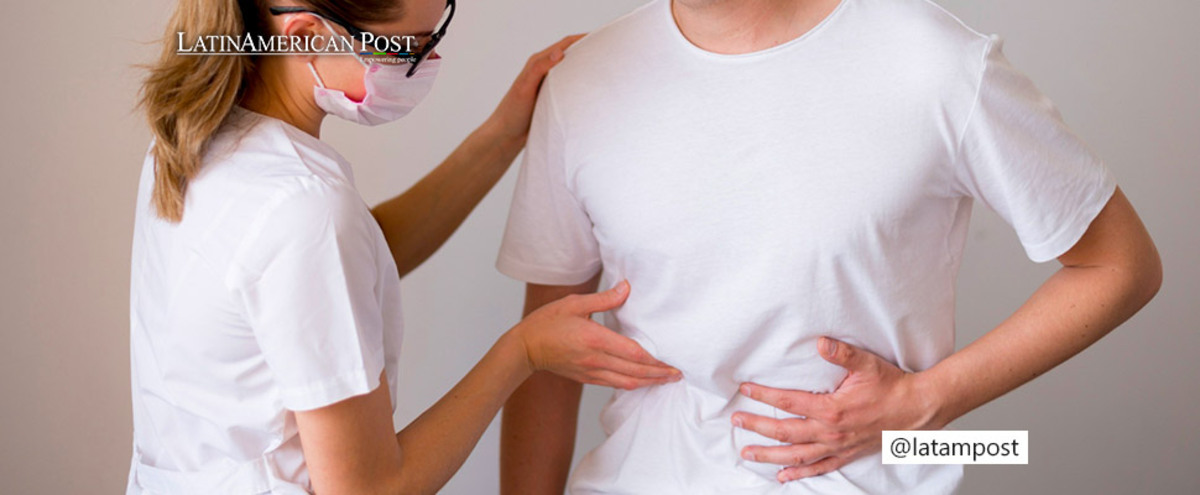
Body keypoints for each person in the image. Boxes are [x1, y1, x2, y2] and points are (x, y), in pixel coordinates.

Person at [495, 0, 1162, 493]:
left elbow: (1121, 263)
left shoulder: (932, 60)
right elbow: (549, 348)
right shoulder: (583, 81)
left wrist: (928, 399)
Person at [126, 0, 684, 493]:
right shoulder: (301, 208)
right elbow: (371, 489)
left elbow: (351, 264)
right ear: (305, 37)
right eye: (407, 49)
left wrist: (502, 134)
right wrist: (522, 352)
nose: (424, 66)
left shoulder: (193, 144)